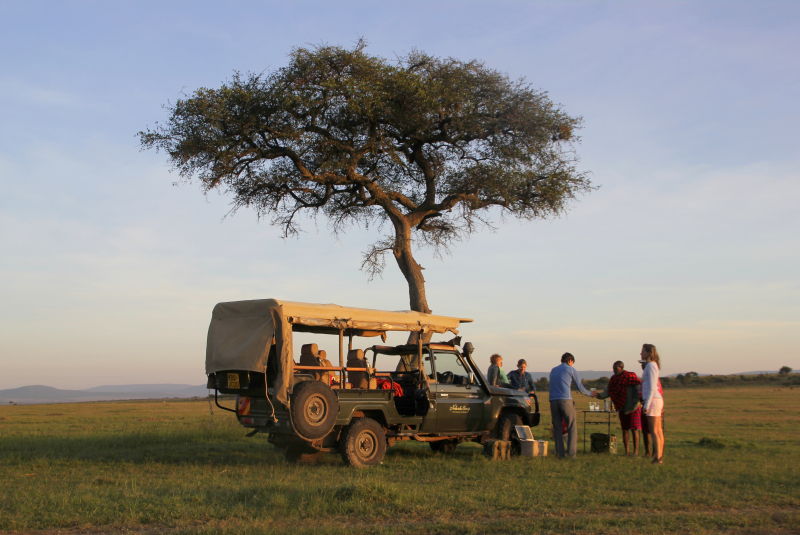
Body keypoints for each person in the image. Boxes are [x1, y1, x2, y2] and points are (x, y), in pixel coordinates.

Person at [548, 352, 597, 458]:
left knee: (557, 428)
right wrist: (590, 393)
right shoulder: (570, 369)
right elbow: (580, 386)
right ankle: (571, 454)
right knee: (571, 426)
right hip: (565, 400)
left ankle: (559, 454)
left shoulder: (553, 370)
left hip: (553, 400)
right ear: (570, 361)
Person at [596, 361, 642, 455]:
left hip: (633, 407)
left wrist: (636, 402)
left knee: (635, 429)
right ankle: (627, 452)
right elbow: (608, 391)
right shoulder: (613, 379)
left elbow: (639, 389)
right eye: (613, 368)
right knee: (625, 429)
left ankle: (636, 452)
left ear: (621, 367)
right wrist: (598, 395)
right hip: (622, 407)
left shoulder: (630, 376)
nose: (614, 370)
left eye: (616, 368)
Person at [640, 343, 665, 464]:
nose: (641, 353)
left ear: (649, 353)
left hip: (653, 400)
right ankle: (659, 455)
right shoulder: (652, 365)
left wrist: (646, 405)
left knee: (654, 430)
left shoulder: (650, 366)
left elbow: (651, 388)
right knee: (658, 430)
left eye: (643, 351)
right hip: (656, 399)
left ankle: (658, 457)